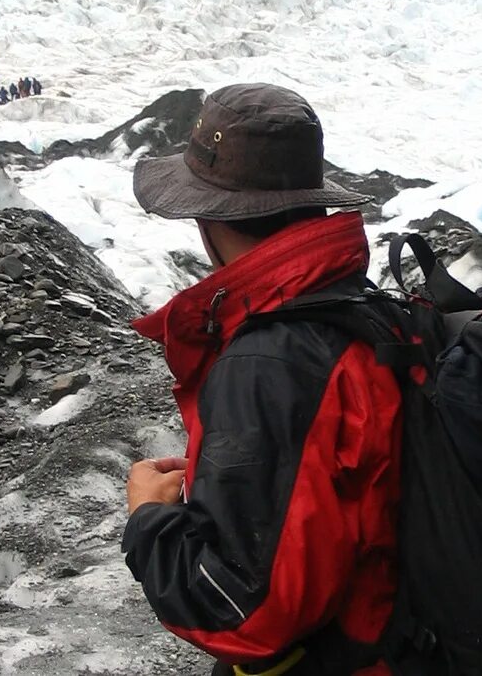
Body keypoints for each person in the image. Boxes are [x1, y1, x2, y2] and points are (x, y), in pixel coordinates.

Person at [123, 83, 399, 676]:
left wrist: (149, 521)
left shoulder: (270, 360)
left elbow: (242, 613)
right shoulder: (363, 310)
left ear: (207, 217)